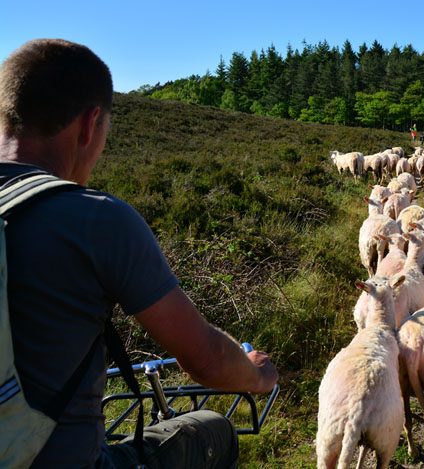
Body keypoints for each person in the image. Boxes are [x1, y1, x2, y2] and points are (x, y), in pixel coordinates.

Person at [0, 39, 278, 468]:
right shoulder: (95, 220)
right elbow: (205, 359)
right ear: (90, 125)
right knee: (213, 430)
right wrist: (258, 375)